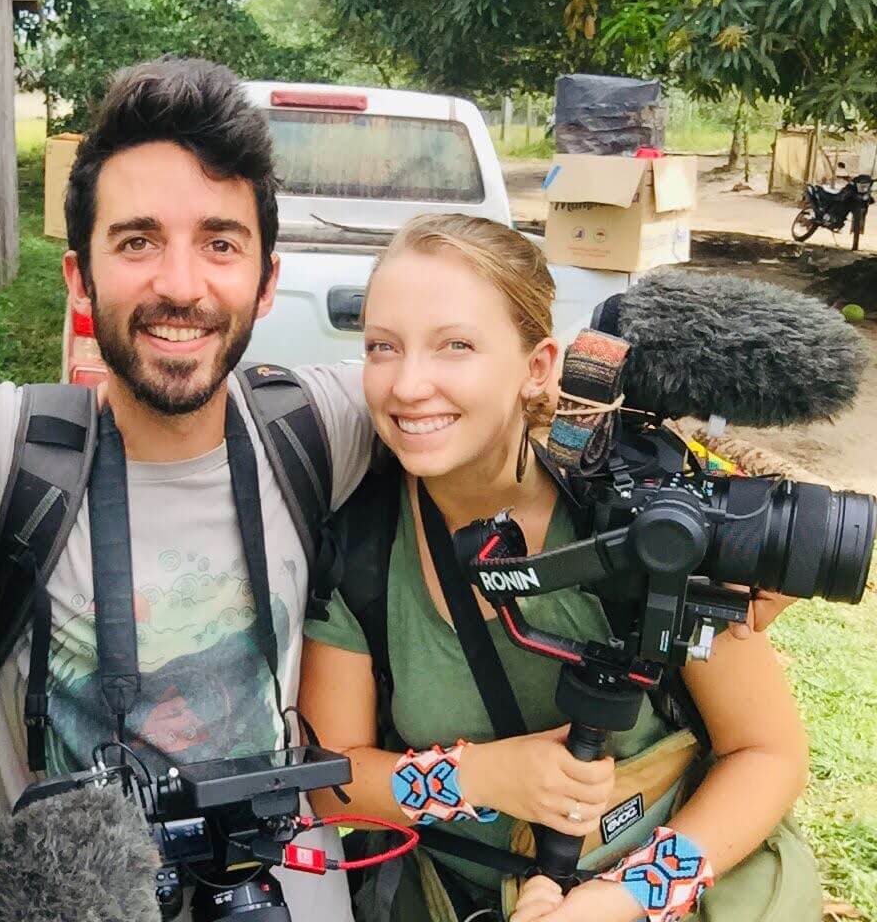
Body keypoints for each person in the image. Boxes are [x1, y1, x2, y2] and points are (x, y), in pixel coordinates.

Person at [0, 58, 370, 918]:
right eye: (137, 242)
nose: (180, 285)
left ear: (266, 281)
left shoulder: (315, 427)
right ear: (80, 278)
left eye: (221, 243)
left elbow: (490, 385)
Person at [300, 214, 821, 922]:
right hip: (469, 895)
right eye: (382, 347)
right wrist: (477, 776)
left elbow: (766, 753)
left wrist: (626, 897)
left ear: (537, 366)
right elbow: (332, 781)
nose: (409, 384)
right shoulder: (363, 543)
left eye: (456, 345)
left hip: (674, 877)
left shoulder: (640, 520)